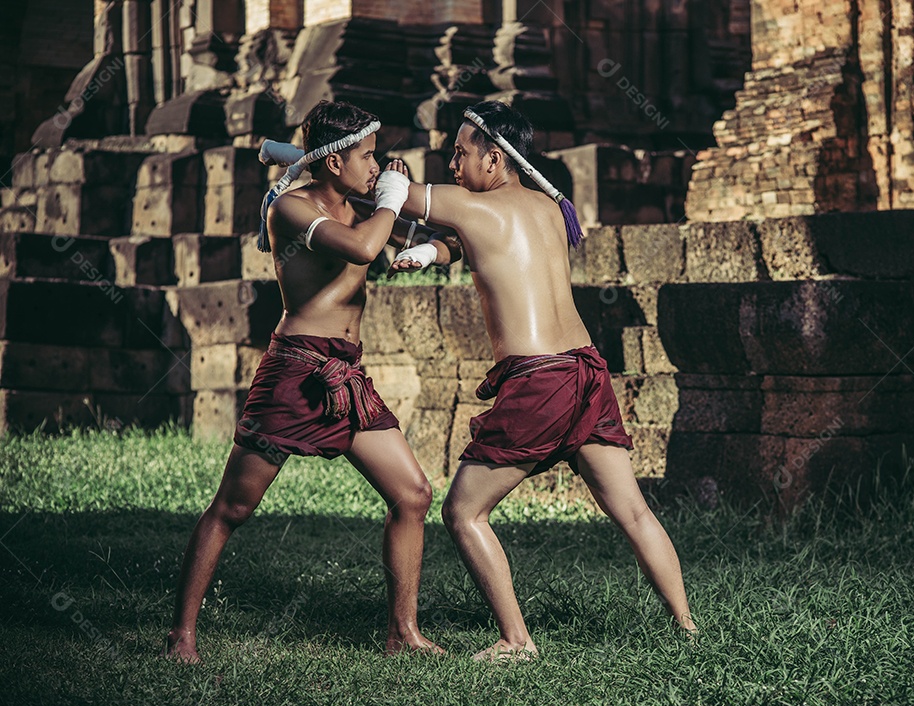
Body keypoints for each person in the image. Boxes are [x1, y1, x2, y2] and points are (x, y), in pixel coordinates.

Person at [387, 101, 697, 662]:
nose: (453, 164)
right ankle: (688, 629)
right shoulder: (549, 208)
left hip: (539, 379)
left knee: (463, 511)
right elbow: (484, 242)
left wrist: (376, 172)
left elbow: (386, 197)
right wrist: (433, 250)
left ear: (494, 156)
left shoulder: (467, 205)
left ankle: (516, 641)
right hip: (587, 368)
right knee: (632, 510)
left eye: (461, 153)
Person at [165, 100, 458, 663]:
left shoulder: (359, 206)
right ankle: (181, 635)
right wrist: (393, 201)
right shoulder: (293, 211)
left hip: (347, 371)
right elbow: (365, 248)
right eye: (367, 157)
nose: (377, 167)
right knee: (232, 507)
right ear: (331, 163)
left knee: (413, 494)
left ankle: (403, 633)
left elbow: (450, 241)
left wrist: (426, 248)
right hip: (297, 370)